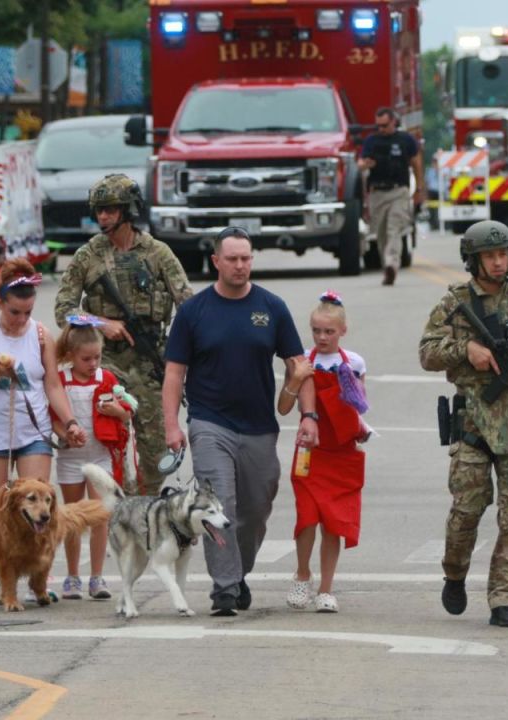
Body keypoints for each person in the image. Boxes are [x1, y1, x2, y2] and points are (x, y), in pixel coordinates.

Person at [162, 227, 319, 616]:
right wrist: (172, 425)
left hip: (259, 427)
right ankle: (225, 588)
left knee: (256, 508)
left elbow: (300, 368)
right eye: (231, 259)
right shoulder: (193, 312)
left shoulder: (272, 307)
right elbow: (173, 375)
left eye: (246, 258)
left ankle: (239, 570)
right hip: (209, 423)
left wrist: (309, 415)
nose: (239, 265)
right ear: (216, 261)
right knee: (221, 504)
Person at [418, 220, 508, 629]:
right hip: (474, 423)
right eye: (490, 256)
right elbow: (428, 352)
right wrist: (468, 351)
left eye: (503, 255)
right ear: (474, 260)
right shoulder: (455, 302)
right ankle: (454, 572)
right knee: (466, 510)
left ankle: (504, 599)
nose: (499, 263)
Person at [54, 174, 193, 494]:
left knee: (156, 447)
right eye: (99, 210)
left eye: (110, 210)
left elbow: (188, 306)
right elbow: (64, 310)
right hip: (104, 363)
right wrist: (101, 323)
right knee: (110, 437)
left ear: (127, 210)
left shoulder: (158, 253)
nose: (103, 216)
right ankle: (121, 507)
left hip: (150, 362)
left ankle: (144, 503)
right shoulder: (88, 256)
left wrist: (179, 356)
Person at [0, 258, 86, 600]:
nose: (21, 320)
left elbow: (54, 386)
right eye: (15, 312)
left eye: (27, 312)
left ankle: (37, 577)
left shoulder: (41, 335)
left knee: (40, 504)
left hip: (33, 431)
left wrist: (70, 422)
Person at [276, 291, 372, 614]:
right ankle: (302, 573)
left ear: (342, 331)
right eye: (316, 330)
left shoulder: (354, 363)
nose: (322, 337)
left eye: (329, 331)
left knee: (334, 522)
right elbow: (284, 406)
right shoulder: (303, 360)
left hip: (342, 451)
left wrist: (362, 428)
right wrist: (297, 379)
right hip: (310, 451)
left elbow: (360, 405)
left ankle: (327, 588)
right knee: (306, 517)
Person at [50, 321, 136, 601]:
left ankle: (97, 577)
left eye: (96, 357)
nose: (92, 363)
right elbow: (53, 418)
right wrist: (66, 434)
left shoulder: (107, 378)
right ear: (71, 355)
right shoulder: (61, 380)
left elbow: (127, 412)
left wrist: (117, 411)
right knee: (74, 517)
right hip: (70, 457)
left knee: (100, 517)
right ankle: (73, 576)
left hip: (100, 456)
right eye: (85, 359)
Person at [359, 107, 424, 286]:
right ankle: (386, 263)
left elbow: (416, 163)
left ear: (394, 122)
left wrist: (419, 188)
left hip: (399, 191)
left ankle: (391, 264)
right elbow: (360, 163)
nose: (381, 129)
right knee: (380, 233)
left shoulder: (405, 140)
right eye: (378, 126)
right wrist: (366, 165)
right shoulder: (371, 141)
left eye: (384, 125)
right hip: (377, 193)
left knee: (393, 229)